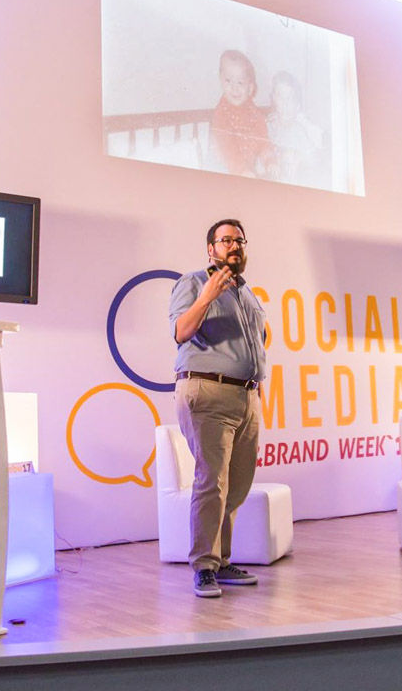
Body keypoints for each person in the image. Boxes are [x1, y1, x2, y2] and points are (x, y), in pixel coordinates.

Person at [168, 218, 267, 598]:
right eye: (225, 240)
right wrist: (207, 296)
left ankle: (222, 561)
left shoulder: (247, 294)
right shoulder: (193, 282)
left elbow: (256, 345)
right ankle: (204, 567)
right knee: (212, 482)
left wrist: (256, 389)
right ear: (211, 249)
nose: (234, 246)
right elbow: (181, 332)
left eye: (239, 240)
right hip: (208, 392)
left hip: (246, 397)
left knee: (237, 485)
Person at [208, 50, 273, 177]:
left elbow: (263, 140)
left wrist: (269, 161)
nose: (234, 88)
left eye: (240, 83)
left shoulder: (254, 113)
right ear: (221, 80)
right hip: (224, 169)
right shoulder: (221, 114)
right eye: (228, 81)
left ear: (250, 88)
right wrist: (241, 170)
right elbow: (228, 148)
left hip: (246, 170)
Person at [266, 71, 322, 185]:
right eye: (280, 96)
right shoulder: (269, 124)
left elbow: (313, 159)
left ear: (297, 106)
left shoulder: (299, 130)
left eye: (290, 98)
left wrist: (299, 158)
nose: (285, 102)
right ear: (272, 99)